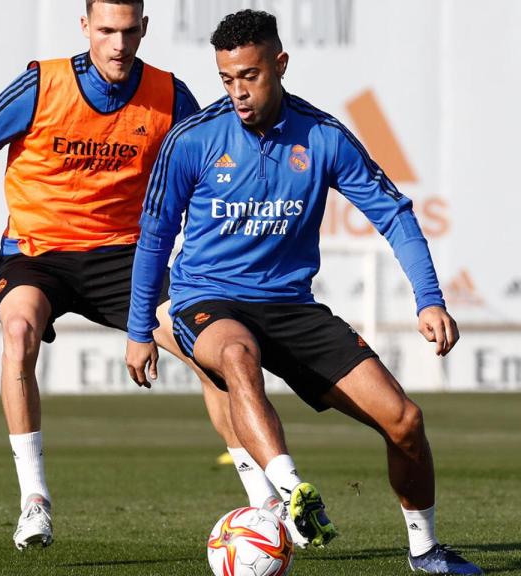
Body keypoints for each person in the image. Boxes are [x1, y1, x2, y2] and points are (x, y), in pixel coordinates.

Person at [0, 0, 285, 551]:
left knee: (211, 350)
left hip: (123, 258)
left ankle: (264, 501)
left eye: (129, 31)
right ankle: (34, 499)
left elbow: (216, 156)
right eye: (106, 30)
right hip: (37, 253)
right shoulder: (42, 84)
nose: (118, 44)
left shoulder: (168, 95)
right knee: (18, 332)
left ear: (144, 29)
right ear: (85, 27)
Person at [126, 9, 483, 574]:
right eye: (227, 79)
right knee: (237, 355)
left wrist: (430, 299)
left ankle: (425, 550)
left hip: (291, 307)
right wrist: (138, 329)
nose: (238, 92)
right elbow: (154, 238)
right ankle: (291, 492)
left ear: (281, 64)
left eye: (250, 76)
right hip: (208, 299)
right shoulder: (192, 140)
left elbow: (393, 214)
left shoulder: (322, 136)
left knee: (405, 421)